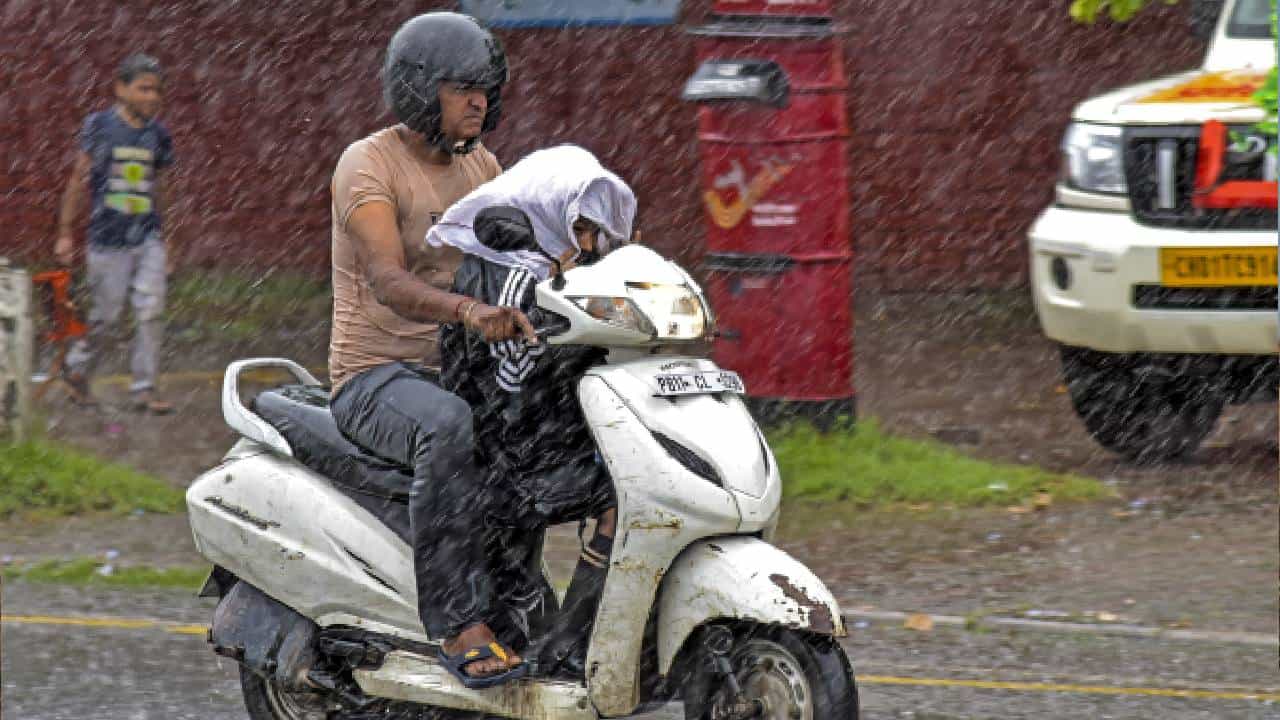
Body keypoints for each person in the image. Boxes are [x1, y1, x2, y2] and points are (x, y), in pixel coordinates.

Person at [325, 12, 537, 688]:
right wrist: (468, 310)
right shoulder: (369, 165)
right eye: (462, 88)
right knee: (451, 426)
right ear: (419, 90)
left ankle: (522, 600)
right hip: (373, 377)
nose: (481, 101)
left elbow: (524, 248)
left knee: (544, 425)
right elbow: (387, 279)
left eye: (486, 88)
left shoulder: (483, 165)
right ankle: (457, 622)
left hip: (455, 370)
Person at [429, 145, 638, 677]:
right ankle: (571, 647)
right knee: (625, 494)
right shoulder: (506, 275)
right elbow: (514, 384)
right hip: (500, 451)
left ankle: (587, 636)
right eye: (581, 228)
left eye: (595, 231)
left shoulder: (556, 273)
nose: (589, 244)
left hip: (534, 433)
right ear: (544, 213)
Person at [56, 53, 176, 414]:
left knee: (150, 310)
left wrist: (169, 236)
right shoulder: (100, 126)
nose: (152, 97)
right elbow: (78, 179)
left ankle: (144, 388)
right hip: (107, 238)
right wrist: (64, 232)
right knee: (105, 318)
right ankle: (77, 370)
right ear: (120, 89)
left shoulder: (159, 135)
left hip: (148, 237)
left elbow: (164, 187)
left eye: (156, 91)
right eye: (143, 89)